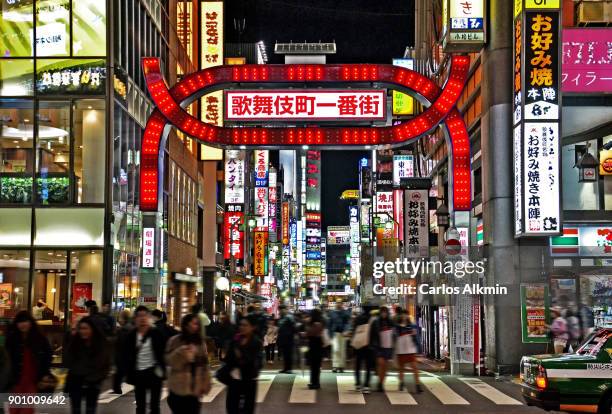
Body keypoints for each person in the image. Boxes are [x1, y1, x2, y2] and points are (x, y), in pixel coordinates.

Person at [6, 311, 53, 414]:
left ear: (30, 322)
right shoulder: (12, 339)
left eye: (25, 321)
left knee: (26, 410)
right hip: (16, 380)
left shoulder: (39, 338)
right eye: (20, 322)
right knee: (13, 409)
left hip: (32, 380)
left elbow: (47, 356)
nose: (22, 325)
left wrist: (45, 373)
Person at [124, 306, 166, 414]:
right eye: (139, 316)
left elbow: (163, 352)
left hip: (154, 372)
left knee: (154, 405)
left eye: (145, 315)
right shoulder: (131, 336)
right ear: (135, 319)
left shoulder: (156, 333)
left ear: (149, 317)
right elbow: (126, 355)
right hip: (139, 373)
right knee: (140, 405)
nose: (142, 318)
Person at [65, 317, 111, 414]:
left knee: (90, 409)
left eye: (86, 328)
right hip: (76, 381)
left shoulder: (100, 344)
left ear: (92, 329)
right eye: (81, 328)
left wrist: (98, 377)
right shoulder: (75, 342)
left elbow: (105, 364)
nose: (83, 331)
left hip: (93, 382)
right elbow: (69, 360)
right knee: (76, 409)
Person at [165, 314, 210, 414]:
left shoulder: (200, 342)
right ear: (186, 325)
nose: (196, 326)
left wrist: (206, 383)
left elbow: (205, 365)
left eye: (197, 324)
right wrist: (181, 352)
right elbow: (169, 361)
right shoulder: (174, 341)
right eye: (194, 323)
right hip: (177, 388)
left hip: (194, 389)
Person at [224, 315, 263, 414]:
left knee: (248, 409)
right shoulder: (235, 340)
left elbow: (255, 362)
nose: (242, 327)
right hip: (234, 380)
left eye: (245, 325)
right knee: (231, 408)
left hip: (249, 380)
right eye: (241, 325)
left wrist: (240, 354)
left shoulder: (256, 342)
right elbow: (228, 359)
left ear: (252, 327)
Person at [395, 310, 422, 393]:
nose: (404, 316)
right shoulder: (397, 327)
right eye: (403, 315)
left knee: (415, 367)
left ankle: (417, 386)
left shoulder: (412, 326)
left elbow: (416, 337)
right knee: (401, 368)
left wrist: (418, 349)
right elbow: (394, 338)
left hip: (411, 349)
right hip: (400, 350)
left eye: (406, 315)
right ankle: (401, 383)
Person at [370, 306, 394, 392]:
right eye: (382, 312)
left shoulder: (390, 322)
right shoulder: (376, 322)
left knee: (385, 366)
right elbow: (371, 334)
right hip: (378, 346)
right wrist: (371, 345)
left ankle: (381, 383)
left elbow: (394, 333)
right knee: (381, 363)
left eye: (385, 312)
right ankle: (380, 383)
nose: (384, 313)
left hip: (388, 347)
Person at [352, 307, 374, 394]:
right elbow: (374, 333)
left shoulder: (358, 318)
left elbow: (354, 331)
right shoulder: (372, 320)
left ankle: (358, 384)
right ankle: (366, 385)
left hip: (359, 344)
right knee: (368, 367)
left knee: (358, 365)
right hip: (368, 345)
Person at [112, 309, 133, 394]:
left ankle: (117, 388)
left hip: (122, 354)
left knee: (119, 373)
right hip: (129, 354)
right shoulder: (132, 327)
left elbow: (118, 343)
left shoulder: (123, 329)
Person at [328, 302, 350, 373]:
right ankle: (335, 366)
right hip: (334, 333)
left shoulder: (345, 313)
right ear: (336, 304)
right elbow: (330, 324)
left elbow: (347, 323)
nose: (339, 304)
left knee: (342, 350)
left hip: (342, 334)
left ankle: (341, 366)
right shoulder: (332, 313)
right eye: (338, 303)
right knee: (335, 350)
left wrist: (346, 330)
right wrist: (330, 334)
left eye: (340, 303)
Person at [306, 309, 324, 390]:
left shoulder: (316, 324)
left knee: (315, 366)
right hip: (316, 346)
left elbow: (310, 333)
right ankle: (314, 382)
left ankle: (315, 383)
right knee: (314, 366)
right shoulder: (318, 323)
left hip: (315, 347)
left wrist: (306, 332)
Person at [277, 305, 295, 373]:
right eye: (280, 310)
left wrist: (291, 335)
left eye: (281, 309)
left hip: (289, 339)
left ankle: (289, 368)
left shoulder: (289, 317)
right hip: (283, 338)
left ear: (285, 309)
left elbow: (293, 327)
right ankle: (285, 368)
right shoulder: (281, 317)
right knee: (285, 354)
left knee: (289, 354)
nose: (280, 311)